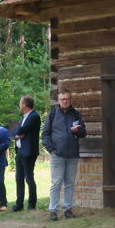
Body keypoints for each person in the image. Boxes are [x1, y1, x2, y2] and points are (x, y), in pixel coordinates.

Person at [41, 90, 86, 221]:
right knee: (56, 183)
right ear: (58, 101)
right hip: (57, 155)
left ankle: (67, 209)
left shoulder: (76, 114)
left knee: (70, 183)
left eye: (67, 99)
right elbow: (45, 134)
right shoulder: (52, 114)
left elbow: (83, 133)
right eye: (62, 99)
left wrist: (78, 131)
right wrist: (51, 150)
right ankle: (53, 211)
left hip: (72, 154)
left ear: (70, 100)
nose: (65, 101)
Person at [13, 95, 42, 212]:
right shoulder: (23, 118)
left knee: (29, 178)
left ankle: (31, 204)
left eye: (20, 103)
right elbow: (15, 133)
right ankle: (19, 204)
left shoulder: (34, 116)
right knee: (19, 178)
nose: (19, 105)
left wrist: (18, 133)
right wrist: (17, 134)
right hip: (20, 151)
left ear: (25, 105)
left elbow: (20, 130)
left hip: (29, 152)